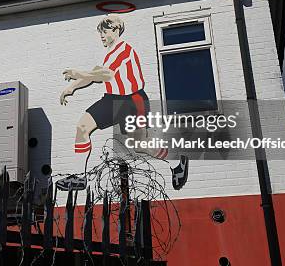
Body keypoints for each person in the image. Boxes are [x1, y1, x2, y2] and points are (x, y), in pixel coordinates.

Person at [57, 14, 189, 191]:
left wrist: (77, 73)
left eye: (105, 31)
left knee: (140, 145)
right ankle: (80, 178)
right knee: (82, 126)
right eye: (100, 33)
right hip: (112, 99)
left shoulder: (124, 50)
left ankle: (176, 160)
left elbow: (104, 75)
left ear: (116, 30)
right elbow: (95, 74)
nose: (101, 36)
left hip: (132, 101)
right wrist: (72, 87)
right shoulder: (109, 54)